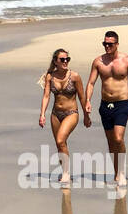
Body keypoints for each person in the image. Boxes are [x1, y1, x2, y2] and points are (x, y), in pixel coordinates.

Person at [84, 30, 128, 187]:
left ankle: (122, 172)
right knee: (111, 142)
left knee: (118, 138)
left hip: (122, 104)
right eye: (105, 43)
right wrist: (87, 101)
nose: (107, 46)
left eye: (110, 44)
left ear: (117, 44)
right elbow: (90, 83)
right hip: (105, 105)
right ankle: (116, 173)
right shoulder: (98, 62)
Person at [38, 47, 90, 189]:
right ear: (56, 61)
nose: (65, 61)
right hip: (55, 114)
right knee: (60, 144)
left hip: (71, 113)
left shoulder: (74, 76)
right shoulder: (50, 76)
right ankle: (64, 171)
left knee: (61, 140)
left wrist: (86, 116)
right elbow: (46, 96)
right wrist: (42, 114)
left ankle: (66, 173)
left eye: (67, 59)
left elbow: (81, 96)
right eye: (62, 59)